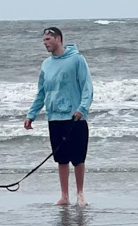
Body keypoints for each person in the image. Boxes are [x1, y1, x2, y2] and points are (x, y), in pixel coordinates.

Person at [24, 26, 94, 206]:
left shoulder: (76, 59)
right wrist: (31, 115)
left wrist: (82, 108)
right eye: (44, 41)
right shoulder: (46, 64)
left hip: (75, 117)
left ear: (59, 39)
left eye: (48, 40)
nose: (45, 43)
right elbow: (41, 92)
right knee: (61, 159)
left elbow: (87, 87)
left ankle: (80, 194)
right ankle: (64, 196)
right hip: (54, 117)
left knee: (78, 158)